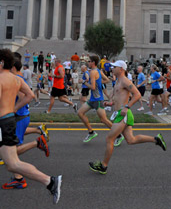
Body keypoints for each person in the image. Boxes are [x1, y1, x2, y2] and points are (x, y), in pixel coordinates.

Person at [0, 49, 62, 203]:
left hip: (1, 122)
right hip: (8, 119)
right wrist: (13, 109)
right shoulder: (16, 79)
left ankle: (50, 181)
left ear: (1, 62)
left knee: (13, 164)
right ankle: (50, 182)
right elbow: (30, 96)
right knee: (12, 164)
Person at [89, 60, 166, 174]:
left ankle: (103, 166)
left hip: (123, 114)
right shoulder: (118, 81)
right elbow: (119, 97)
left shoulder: (125, 81)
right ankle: (156, 139)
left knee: (110, 139)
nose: (112, 69)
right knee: (131, 140)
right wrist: (110, 103)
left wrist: (127, 107)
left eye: (114, 67)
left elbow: (137, 94)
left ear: (121, 69)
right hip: (121, 113)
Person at [2, 58, 50, 190]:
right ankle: (18, 177)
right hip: (20, 117)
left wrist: (13, 107)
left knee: (13, 154)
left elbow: (25, 97)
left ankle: (37, 143)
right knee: (11, 154)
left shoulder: (14, 79)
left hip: (18, 117)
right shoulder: (18, 78)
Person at [77, 55, 114, 143]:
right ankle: (91, 132)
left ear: (93, 62)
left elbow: (93, 88)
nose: (88, 63)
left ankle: (118, 134)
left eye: (89, 61)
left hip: (98, 100)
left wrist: (84, 82)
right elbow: (107, 80)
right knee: (80, 113)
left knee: (103, 120)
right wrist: (98, 82)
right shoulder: (98, 71)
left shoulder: (93, 72)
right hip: (92, 99)